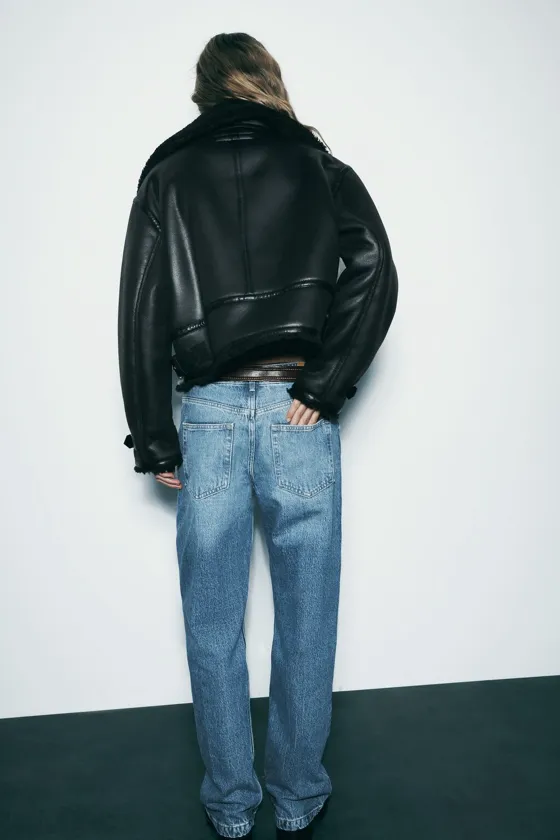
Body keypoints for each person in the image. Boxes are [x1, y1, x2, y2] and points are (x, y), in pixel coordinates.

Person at [117, 32, 398, 839]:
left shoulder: (168, 174)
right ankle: (298, 796)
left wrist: (155, 436)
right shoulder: (318, 165)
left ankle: (232, 806)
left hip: (207, 414)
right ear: (267, 80)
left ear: (204, 89)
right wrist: (324, 384)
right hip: (296, 414)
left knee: (212, 626)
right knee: (308, 620)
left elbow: (141, 307)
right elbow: (376, 270)